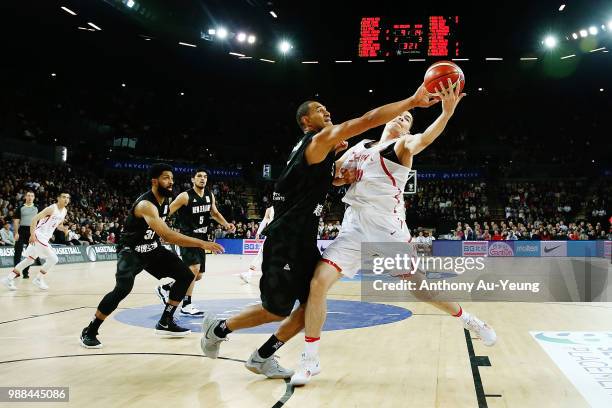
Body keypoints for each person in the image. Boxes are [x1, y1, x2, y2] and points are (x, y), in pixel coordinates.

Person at [200, 84, 438, 379]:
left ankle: (262, 356)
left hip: (303, 241)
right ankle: (220, 328)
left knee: (313, 301)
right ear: (305, 122)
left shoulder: (319, 151)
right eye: (318, 110)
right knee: (276, 311)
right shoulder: (318, 139)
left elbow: (324, 180)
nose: (326, 111)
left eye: (326, 108)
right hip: (285, 240)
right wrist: (413, 100)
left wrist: (339, 178)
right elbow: (365, 120)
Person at [291, 79, 496, 386]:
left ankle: (469, 320)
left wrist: (446, 113)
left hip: (388, 232)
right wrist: (338, 174)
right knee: (317, 284)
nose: (402, 118)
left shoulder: (401, 146)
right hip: (354, 226)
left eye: (407, 119)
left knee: (421, 290)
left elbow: (424, 139)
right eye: (400, 115)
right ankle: (310, 360)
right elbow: (331, 175)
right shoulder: (360, 147)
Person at [79, 164, 224, 349]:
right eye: (166, 178)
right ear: (155, 181)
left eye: (172, 178)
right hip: (131, 252)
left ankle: (165, 321)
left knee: (187, 276)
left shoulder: (166, 200)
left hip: (152, 249)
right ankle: (90, 330)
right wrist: (202, 243)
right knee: (122, 289)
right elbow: (168, 235)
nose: (171, 182)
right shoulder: (146, 204)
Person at [156, 168, 235, 317]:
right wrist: (160, 230)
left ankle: (167, 288)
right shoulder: (184, 196)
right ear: (193, 179)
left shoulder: (209, 195)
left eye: (205, 176)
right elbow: (166, 214)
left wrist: (226, 224)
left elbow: (214, 213)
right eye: (199, 176)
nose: (202, 179)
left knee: (197, 275)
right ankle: (186, 304)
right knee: (194, 269)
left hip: (202, 239)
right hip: (188, 237)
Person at [2, 192, 70, 291]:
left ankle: (9, 278)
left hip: (45, 238)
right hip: (39, 236)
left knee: (29, 260)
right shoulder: (51, 209)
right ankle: (38, 279)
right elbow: (34, 219)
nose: (66, 199)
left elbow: (58, 225)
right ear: (58, 198)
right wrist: (32, 235)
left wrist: (63, 229)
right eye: (64, 197)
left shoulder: (64, 211)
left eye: (68, 198)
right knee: (54, 259)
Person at [240, 205, 274, 283]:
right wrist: (258, 233)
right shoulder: (269, 210)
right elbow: (264, 221)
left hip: (274, 236)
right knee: (261, 255)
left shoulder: (271, 209)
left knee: (261, 255)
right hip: (272, 236)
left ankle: (249, 274)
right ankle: (249, 274)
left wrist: (258, 233)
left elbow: (264, 221)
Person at [12, 191, 38, 278]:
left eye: (32, 196)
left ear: (34, 197)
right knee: (17, 252)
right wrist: (16, 233)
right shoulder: (20, 208)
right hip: (22, 231)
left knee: (29, 253)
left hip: (32, 231)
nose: (30, 197)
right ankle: (16, 272)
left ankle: (26, 273)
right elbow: (16, 221)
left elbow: (41, 221)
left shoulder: (38, 208)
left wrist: (35, 233)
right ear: (25, 197)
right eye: (28, 196)